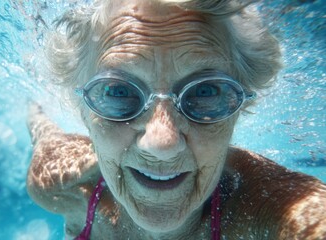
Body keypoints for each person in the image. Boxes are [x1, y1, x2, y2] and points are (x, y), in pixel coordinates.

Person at [26, 0, 326, 239]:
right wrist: (35, 115)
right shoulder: (59, 183)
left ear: (239, 109)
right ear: (83, 111)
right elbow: (42, 133)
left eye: (206, 92)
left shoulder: (271, 209)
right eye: (118, 92)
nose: (162, 144)